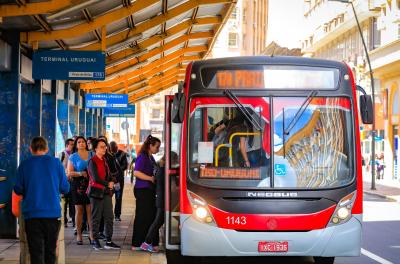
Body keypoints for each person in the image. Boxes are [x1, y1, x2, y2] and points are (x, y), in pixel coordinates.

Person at [14, 137, 70, 264]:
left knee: (36, 253)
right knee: (50, 252)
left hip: (32, 215)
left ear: (31, 149)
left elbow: (18, 189)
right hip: (52, 215)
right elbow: (65, 188)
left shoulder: (24, 165)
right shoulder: (56, 163)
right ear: (47, 148)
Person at [87, 139, 121, 250]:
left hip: (106, 192)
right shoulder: (92, 161)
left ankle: (109, 240)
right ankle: (95, 240)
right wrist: (109, 183)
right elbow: (96, 178)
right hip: (96, 192)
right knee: (96, 217)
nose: (104, 148)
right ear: (95, 149)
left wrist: (112, 180)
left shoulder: (104, 160)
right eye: (101, 147)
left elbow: (108, 174)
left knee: (109, 217)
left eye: (105, 146)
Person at [131, 135, 161, 251]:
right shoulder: (142, 157)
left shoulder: (150, 157)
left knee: (150, 217)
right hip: (142, 190)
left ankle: (146, 242)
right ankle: (137, 243)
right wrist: (150, 178)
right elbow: (136, 172)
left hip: (148, 190)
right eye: (157, 147)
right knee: (142, 217)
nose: (158, 149)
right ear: (150, 146)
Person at [67, 136, 94, 245]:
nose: (82, 143)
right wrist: (80, 173)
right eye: (79, 142)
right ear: (76, 145)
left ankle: (92, 234)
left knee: (90, 210)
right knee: (79, 211)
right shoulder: (73, 157)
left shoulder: (92, 154)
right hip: (77, 185)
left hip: (90, 184)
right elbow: (69, 172)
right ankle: (79, 234)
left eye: (83, 142)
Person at [59, 138, 75, 228]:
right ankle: (64, 220)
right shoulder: (61, 155)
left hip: (72, 182)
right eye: (71, 144)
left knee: (72, 202)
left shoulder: (74, 155)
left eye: (73, 144)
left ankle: (73, 219)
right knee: (64, 202)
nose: (73, 146)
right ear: (66, 145)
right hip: (64, 182)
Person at [110, 141, 128, 221]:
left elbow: (125, 165)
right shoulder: (108, 155)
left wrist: (116, 171)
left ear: (117, 147)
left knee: (118, 197)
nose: (113, 150)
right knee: (108, 197)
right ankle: (109, 214)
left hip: (119, 180)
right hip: (110, 180)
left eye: (114, 148)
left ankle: (117, 215)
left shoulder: (122, 154)